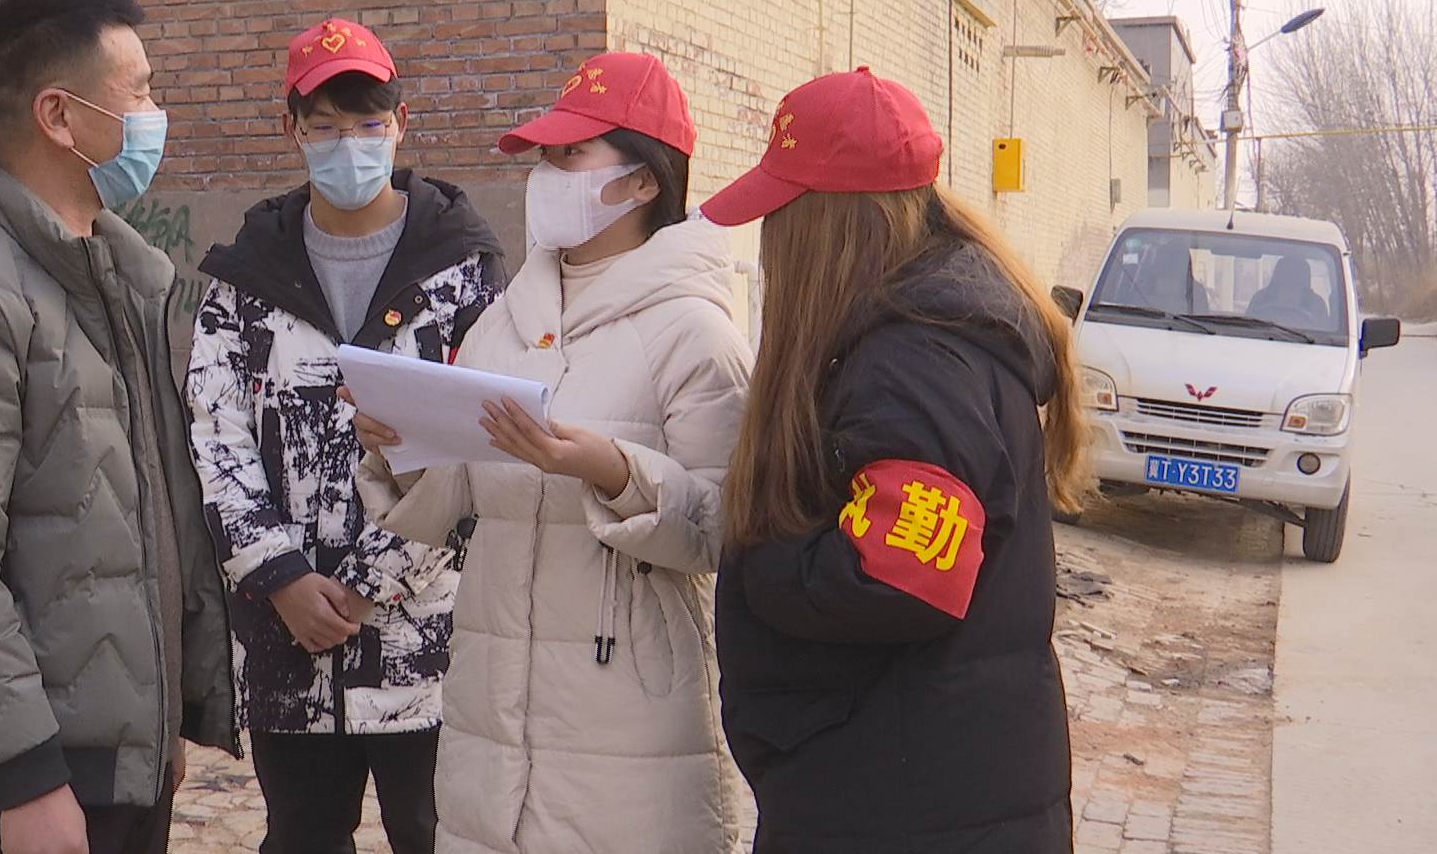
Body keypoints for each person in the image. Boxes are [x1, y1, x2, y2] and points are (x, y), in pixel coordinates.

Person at [0, 0, 238, 854]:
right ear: (60, 116)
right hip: (24, 782)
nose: (155, 116)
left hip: (117, 760)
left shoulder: (118, 280)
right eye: (139, 93)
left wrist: (161, 723)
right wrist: (26, 777)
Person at [350, 52, 752, 853]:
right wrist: (405, 448)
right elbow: (460, 497)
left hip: (627, 723)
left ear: (644, 181)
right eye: (545, 155)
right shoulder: (505, 321)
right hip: (493, 714)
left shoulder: (696, 333)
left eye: (572, 155)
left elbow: (724, 530)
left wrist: (612, 471)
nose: (547, 174)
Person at [700, 67, 1087, 853]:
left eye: (781, 213)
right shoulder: (931, 333)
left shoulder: (913, 363)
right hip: (931, 781)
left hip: (905, 803)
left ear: (830, 226)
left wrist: (760, 556)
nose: (770, 241)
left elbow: (902, 576)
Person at [186, 17, 506, 853]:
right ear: (291, 129)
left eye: (367, 124)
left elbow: (479, 452)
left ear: (400, 124)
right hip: (287, 642)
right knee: (300, 835)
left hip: (425, 643)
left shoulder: (462, 274)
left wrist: (369, 586)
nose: (348, 145)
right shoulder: (244, 280)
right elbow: (216, 439)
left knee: (437, 835)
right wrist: (283, 577)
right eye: (324, 126)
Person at [1247, 254, 1329, 327]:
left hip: (1304, 339)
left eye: (1296, 272)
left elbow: (1324, 333)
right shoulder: (1260, 298)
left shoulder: (1316, 304)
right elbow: (1247, 326)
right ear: (1278, 274)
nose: (1292, 276)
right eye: (1288, 271)